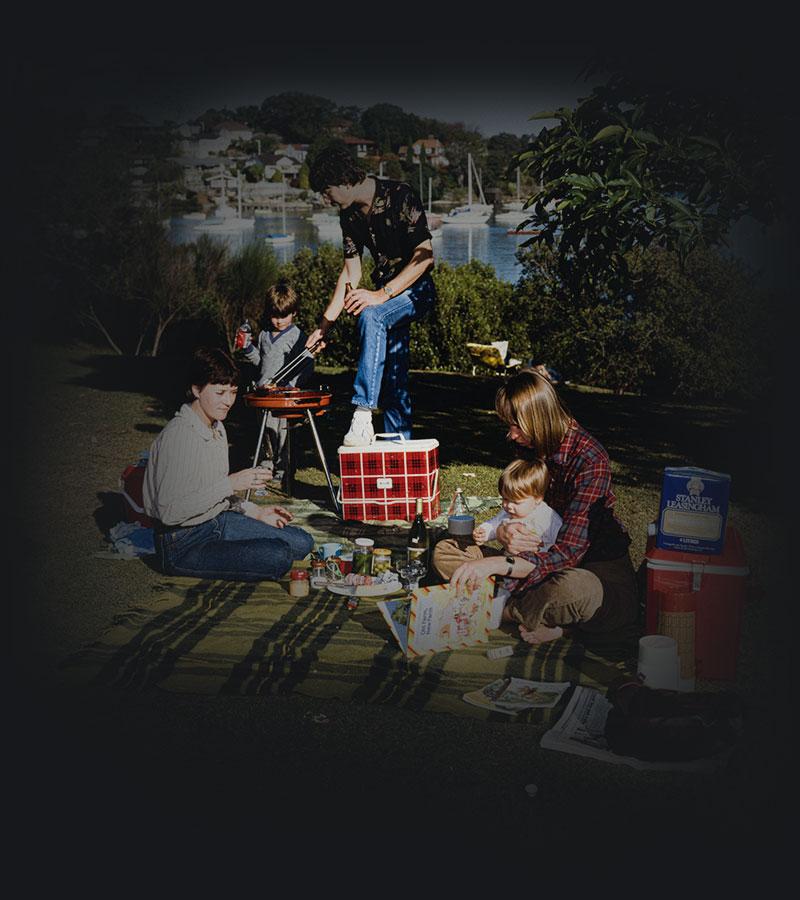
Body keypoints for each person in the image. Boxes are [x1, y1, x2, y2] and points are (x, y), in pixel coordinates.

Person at [432, 368, 638, 645]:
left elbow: (567, 555)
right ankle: (543, 614)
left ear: (539, 417)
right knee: (446, 550)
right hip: (528, 561)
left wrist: (497, 564)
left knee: (573, 591)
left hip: (587, 565)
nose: (512, 435)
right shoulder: (531, 447)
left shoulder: (590, 460)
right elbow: (518, 509)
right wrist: (504, 532)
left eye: (516, 426)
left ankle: (504, 610)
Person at [143, 347, 314, 582]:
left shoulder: (216, 427)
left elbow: (214, 494)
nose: (228, 402)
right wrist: (230, 483)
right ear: (196, 389)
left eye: (232, 392)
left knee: (302, 542)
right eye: (220, 392)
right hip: (181, 543)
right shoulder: (180, 436)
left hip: (216, 520)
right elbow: (169, 512)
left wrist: (257, 512)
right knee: (278, 556)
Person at [305, 144, 436, 445]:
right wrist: (324, 327)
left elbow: (425, 256)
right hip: (385, 296)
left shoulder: (401, 195)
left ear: (344, 180)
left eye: (326, 191)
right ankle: (397, 451)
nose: (325, 199)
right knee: (394, 379)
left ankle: (362, 413)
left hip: (416, 292)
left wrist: (381, 294)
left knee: (372, 313)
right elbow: (351, 273)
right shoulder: (348, 216)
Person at [242, 279, 311, 483]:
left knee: (283, 434)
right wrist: (247, 348)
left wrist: (291, 385)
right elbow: (261, 362)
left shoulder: (297, 336)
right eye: (274, 316)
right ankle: (266, 465)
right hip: (263, 393)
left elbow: (308, 364)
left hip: (282, 396)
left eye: (284, 315)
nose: (279, 321)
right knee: (265, 432)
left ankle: (284, 469)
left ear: (294, 312)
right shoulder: (264, 334)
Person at [473, 458, 563, 563]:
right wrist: (485, 531)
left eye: (516, 502)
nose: (509, 506)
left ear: (537, 499)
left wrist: (544, 551)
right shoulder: (507, 512)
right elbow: (495, 523)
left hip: (536, 565)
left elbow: (559, 545)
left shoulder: (548, 518)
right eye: (505, 499)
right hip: (507, 561)